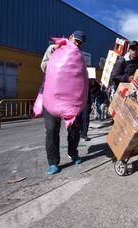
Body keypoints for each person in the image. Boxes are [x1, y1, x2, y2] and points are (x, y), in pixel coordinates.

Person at [41, 30, 87, 175]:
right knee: (52, 129)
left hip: (71, 99)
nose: (77, 44)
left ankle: (73, 153)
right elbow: (43, 66)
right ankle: (53, 162)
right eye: (76, 40)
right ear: (70, 37)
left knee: (74, 128)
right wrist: (58, 59)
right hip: (52, 96)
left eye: (80, 43)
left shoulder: (79, 56)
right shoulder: (54, 48)